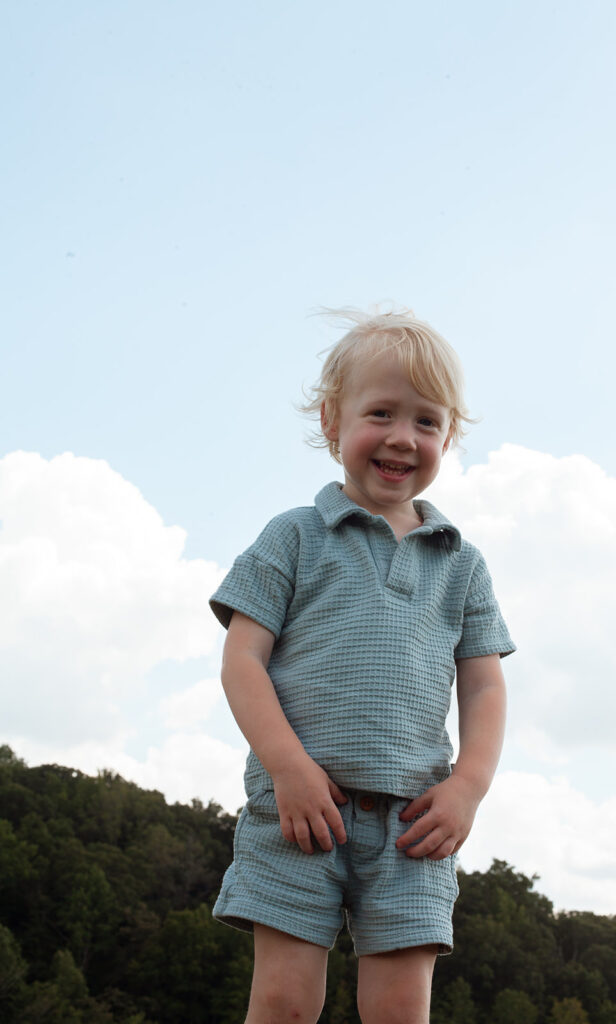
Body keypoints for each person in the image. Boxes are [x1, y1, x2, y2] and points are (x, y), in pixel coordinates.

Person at [209, 307, 515, 1024]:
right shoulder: (294, 536)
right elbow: (241, 660)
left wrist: (468, 786)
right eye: (381, 412)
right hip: (299, 809)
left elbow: (484, 684)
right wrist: (287, 767)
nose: (403, 438)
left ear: (450, 436)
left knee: (400, 1012)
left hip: (414, 823)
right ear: (331, 421)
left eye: (428, 421)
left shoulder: (461, 563)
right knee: (284, 1002)